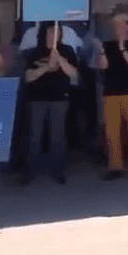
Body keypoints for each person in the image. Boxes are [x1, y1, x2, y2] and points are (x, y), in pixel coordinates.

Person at [22, 22, 80, 184]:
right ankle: (30, 171)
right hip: (36, 99)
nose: (53, 36)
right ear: (43, 34)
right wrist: (46, 67)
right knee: (34, 136)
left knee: (58, 136)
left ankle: (58, 171)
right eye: (50, 33)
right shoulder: (34, 52)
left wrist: (60, 60)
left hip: (59, 98)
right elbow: (28, 77)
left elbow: (74, 73)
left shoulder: (67, 51)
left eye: (56, 33)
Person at [97, 13, 128, 180]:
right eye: (115, 25)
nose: (117, 28)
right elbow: (103, 66)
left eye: (120, 25)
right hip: (111, 93)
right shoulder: (107, 45)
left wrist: (122, 48)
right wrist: (102, 53)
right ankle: (115, 167)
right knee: (112, 132)